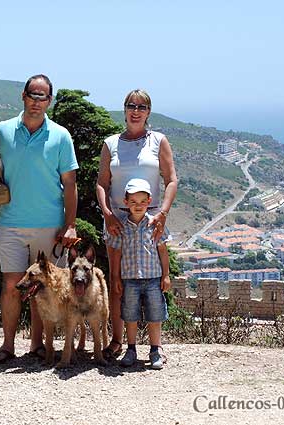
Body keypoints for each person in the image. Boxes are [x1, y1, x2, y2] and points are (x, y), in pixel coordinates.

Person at [0, 74, 79, 363]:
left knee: (44, 287)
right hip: (10, 223)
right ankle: (7, 345)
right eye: (33, 95)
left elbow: (70, 183)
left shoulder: (61, 136)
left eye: (43, 97)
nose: (37, 101)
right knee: (12, 285)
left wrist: (71, 224)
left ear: (49, 101)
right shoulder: (2, 132)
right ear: (23, 96)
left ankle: (39, 345)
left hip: (50, 225)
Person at [96, 88, 178, 360]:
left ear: (148, 112)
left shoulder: (159, 141)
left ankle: (156, 346)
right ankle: (119, 341)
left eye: (141, 107)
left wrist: (163, 213)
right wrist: (108, 214)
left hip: (151, 219)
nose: (136, 110)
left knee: (154, 281)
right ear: (124, 109)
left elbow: (172, 179)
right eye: (131, 105)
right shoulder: (110, 143)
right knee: (118, 279)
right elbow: (101, 183)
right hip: (118, 219)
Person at [108, 178, 172, 369]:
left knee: (155, 314)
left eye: (142, 202)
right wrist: (116, 278)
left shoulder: (155, 225)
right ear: (126, 202)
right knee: (130, 315)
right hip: (129, 280)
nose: (138, 206)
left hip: (153, 278)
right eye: (133, 202)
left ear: (149, 202)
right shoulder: (122, 228)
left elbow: (162, 251)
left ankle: (154, 350)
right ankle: (131, 349)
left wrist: (166, 275)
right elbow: (117, 254)